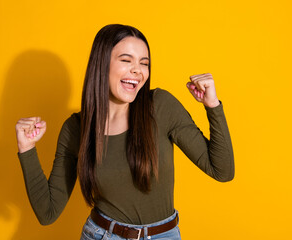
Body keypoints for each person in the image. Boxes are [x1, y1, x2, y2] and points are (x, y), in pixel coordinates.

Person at [15, 24, 234, 240]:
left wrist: (212, 106)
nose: (138, 70)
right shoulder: (76, 129)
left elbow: (222, 171)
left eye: (144, 63)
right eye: (126, 60)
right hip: (101, 235)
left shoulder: (160, 107)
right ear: (102, 65)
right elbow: (48, 213)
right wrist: (27, 148)